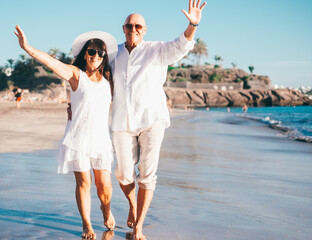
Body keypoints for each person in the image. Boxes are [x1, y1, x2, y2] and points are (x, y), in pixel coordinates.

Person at [111, 1, 207, 239]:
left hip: (152, 120)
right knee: (123, 174)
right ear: (123, 29)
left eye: (138, 26)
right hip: (121, 122)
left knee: (147, 175)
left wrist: (192, 24)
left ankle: (139, 226)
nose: (133, 29)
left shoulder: (157, 50)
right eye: (129, 25)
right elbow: (91, 74)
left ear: (145, 30)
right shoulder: (113, 54)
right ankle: (133, 206)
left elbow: (182, 44)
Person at [14, 25, 117, 239]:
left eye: (100, 52)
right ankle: (87, 225)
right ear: (84, 54)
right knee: (84, 183)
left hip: (101, 139)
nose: (95, 56)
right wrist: (27, 48)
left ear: (104, 56)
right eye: (91, 51)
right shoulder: (76, 74)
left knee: (104, 185)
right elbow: (51, 63)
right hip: (79, 137)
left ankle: (106, 209)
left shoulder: (109, 79)